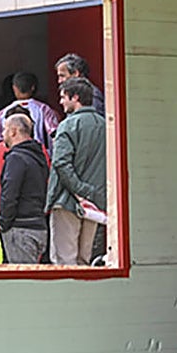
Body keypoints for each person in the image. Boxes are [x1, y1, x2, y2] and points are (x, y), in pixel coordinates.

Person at [45, 76, 106, 265]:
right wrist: (92, 195)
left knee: (64, 260)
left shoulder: (68, 125)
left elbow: (61, 164)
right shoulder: (106, 125)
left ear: (75, 97)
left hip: (67, 201)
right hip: (95, 204)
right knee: (84, 260)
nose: (61, 102)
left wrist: (80, 190)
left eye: (64, 97)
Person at [0, 112, 49, 264]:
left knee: (22, 281)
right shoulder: (39, 157)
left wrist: (4, 223)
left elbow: (9, 193)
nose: (2, 134)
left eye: (5, 129)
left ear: (14, 131)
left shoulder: (16, 158)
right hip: (38, 227)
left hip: (20, 229)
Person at [0, 71, 60, 150]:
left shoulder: (3, 113)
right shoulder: (44, 109)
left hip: (11, 155)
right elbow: (55, 135)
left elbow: (0, 140)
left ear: (14, 88)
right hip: (38, 155)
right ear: (33, 87)